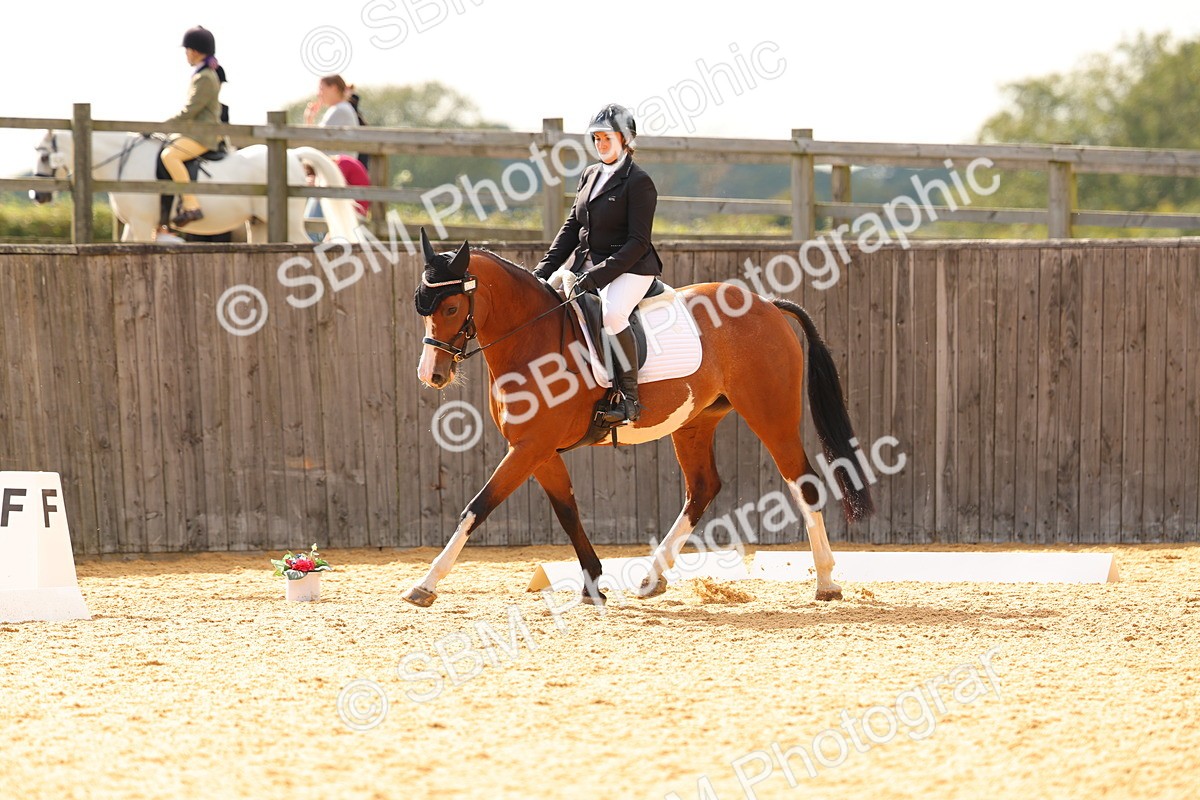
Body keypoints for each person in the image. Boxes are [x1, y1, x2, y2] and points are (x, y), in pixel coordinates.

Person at [534, 103, 663, 425]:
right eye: (596, 139)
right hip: (588, 264)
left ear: (625, 139)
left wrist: (596, 277)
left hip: (631, 267)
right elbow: (571, 228)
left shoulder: (639, 182)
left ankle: (629, 399)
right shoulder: (590, 175)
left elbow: (638, 242)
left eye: (607, 138)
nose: (601, 144)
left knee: (613, 313)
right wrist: (543, 271)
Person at [160, 26, 226, 229]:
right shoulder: (203, 74)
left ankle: (191, 204)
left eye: (187, 50)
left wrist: (163, 126)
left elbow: (190, 111)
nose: (186, 54)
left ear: (196, 51)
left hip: (204, 135)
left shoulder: (205, 77)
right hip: (197, 133)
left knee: (169, 156)